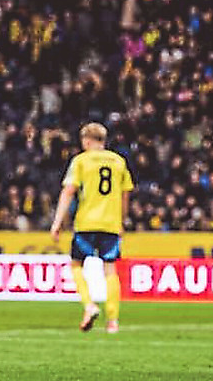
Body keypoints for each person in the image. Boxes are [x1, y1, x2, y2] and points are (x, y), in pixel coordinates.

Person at [49, 122, 133, 334]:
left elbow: (69, 191)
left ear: (86, 141)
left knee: (76, 264)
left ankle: (89, 305)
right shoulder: (119, 161)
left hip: (86, 222)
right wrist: (122, 221)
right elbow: (125, 195)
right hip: (111, 224)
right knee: (110, 269)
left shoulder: (81, 161)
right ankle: (112, 321)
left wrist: (57, 222)